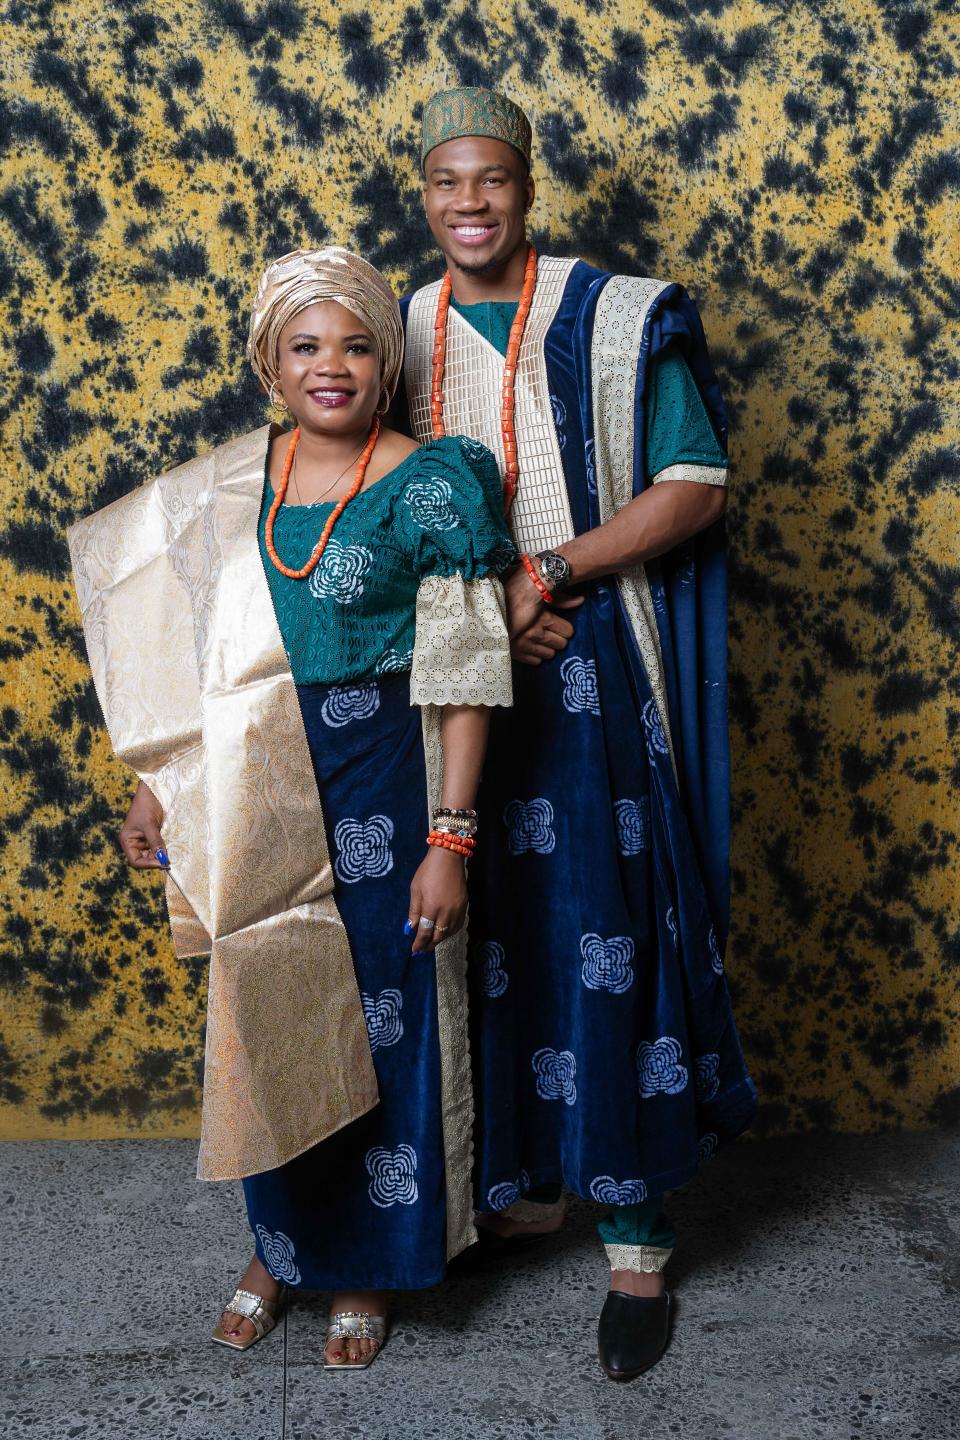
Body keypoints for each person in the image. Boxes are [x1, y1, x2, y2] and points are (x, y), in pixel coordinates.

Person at [68, 246, 516, 1369]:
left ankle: (365, 1264)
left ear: (385, 360)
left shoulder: (431, 481)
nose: (333, 366)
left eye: (357, 344)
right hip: (252, 784)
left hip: (382, 778)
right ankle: (278, 1248)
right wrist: (157, 788)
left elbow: (465, 675)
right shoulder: (229, 487)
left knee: (379, 1019)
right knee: (264, 1012)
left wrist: (448, 842)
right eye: (306, 346)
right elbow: (190, 662)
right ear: (270, 362)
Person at [393, 88, 758, 1382]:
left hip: (597, 659)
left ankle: (638, 1238)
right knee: (476, 931)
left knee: (608, 931)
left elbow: (694, 484)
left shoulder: (610, 315)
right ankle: (514, 1186)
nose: (471, 203)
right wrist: (478, 619)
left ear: (525, 187)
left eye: (492, 179)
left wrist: (547, 578)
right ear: (423, 194)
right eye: (448, 182)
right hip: (450, 686)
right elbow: (358, 512)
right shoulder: (392, 332)